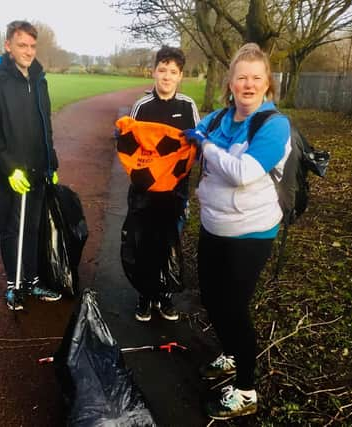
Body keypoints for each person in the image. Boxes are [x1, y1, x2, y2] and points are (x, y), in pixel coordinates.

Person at [184, 43, 291, 419]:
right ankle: (230, 353)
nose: (248, 84)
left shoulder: (274, 125)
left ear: (267, 85)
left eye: (256, 78)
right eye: (241, 77)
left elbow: (244, 174)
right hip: (213, 226)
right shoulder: (215, 119)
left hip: (251, 233)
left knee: (233, 308)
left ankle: (246, 390)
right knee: (212, 300)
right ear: (230, 82)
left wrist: (207, 147)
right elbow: (184, 140)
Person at [0, 20, 61, 310]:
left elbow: (44, 124)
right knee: (13, 226)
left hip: (38, 167)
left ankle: (33, 281)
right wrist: (9, 167)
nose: (28, 51)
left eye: (32, 46)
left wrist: (52, 162)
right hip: (10, 171)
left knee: (34, 225)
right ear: (8, 46)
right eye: (22, 45)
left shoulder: (39, 80)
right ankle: (13, 285)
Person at [124, 46, 200, 322]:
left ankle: (165, 295)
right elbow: (129, 148)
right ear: (154, 71)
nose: (167, 77)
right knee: (144, 243)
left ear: (180, 76)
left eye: (173, 72)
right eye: (162, 70)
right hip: (145, 192)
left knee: (169, 242)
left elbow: (197, 148)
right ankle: (145, 295)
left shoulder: (188, 106)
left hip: (176, 192)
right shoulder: (142, 106)